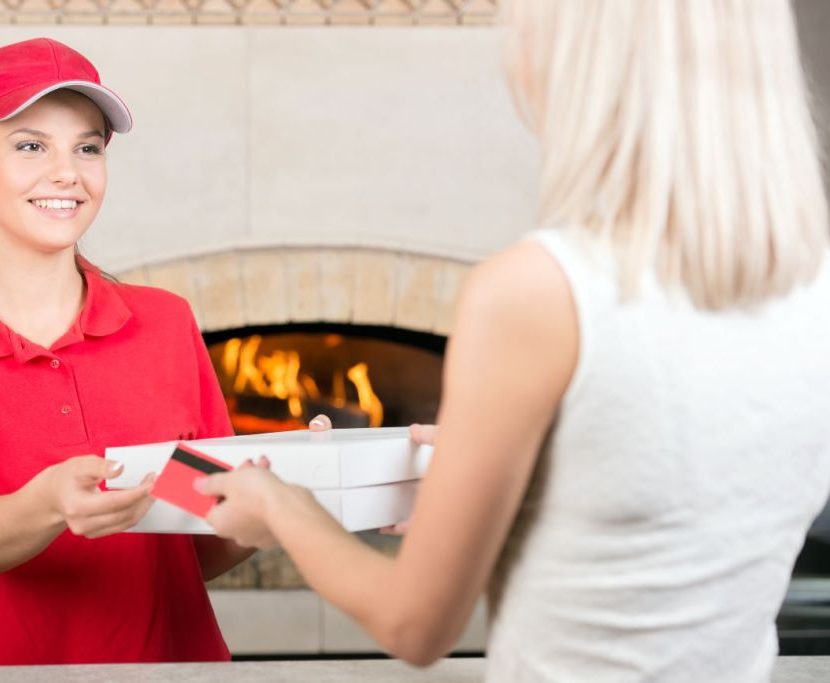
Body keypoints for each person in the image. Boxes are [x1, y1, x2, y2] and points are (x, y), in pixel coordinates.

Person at [198, 1, 830, 680]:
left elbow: (417, 626)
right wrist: (511, 481)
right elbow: (672, 509)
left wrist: (287, 510)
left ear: (580, 61)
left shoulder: (536, 289)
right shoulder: (812, 279)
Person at [0, 37, 253, 666]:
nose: (67, 172)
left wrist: (279, 506)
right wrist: (50, 501)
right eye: (30, 145)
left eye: (88, 147)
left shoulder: (165, 323)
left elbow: (199, 544)